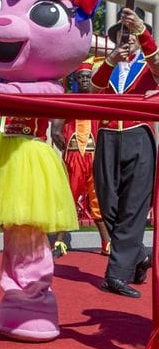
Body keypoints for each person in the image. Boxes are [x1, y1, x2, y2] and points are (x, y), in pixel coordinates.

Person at [89, 7, 158, 298]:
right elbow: (93, 90)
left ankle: (115, 274)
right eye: (121, 35)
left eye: (131, 34)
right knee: (109, 205)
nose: (126, 40)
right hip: (107, 136)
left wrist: (143, 33)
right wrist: (110, 60)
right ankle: (139, 254)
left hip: (139, 136)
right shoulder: (104, 63)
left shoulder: (150, 62)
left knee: (133, 208)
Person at [50, 60, 111, 257]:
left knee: (97, 200)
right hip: (74, 157)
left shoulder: (99, 99)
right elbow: (56, 132)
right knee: (68, 198)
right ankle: (59, 243)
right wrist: (68, 149)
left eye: (88, 77)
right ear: (76, 80)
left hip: (94, 156)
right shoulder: (69, 100)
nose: (85, 81)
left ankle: (107, 242)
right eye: (81, 78)